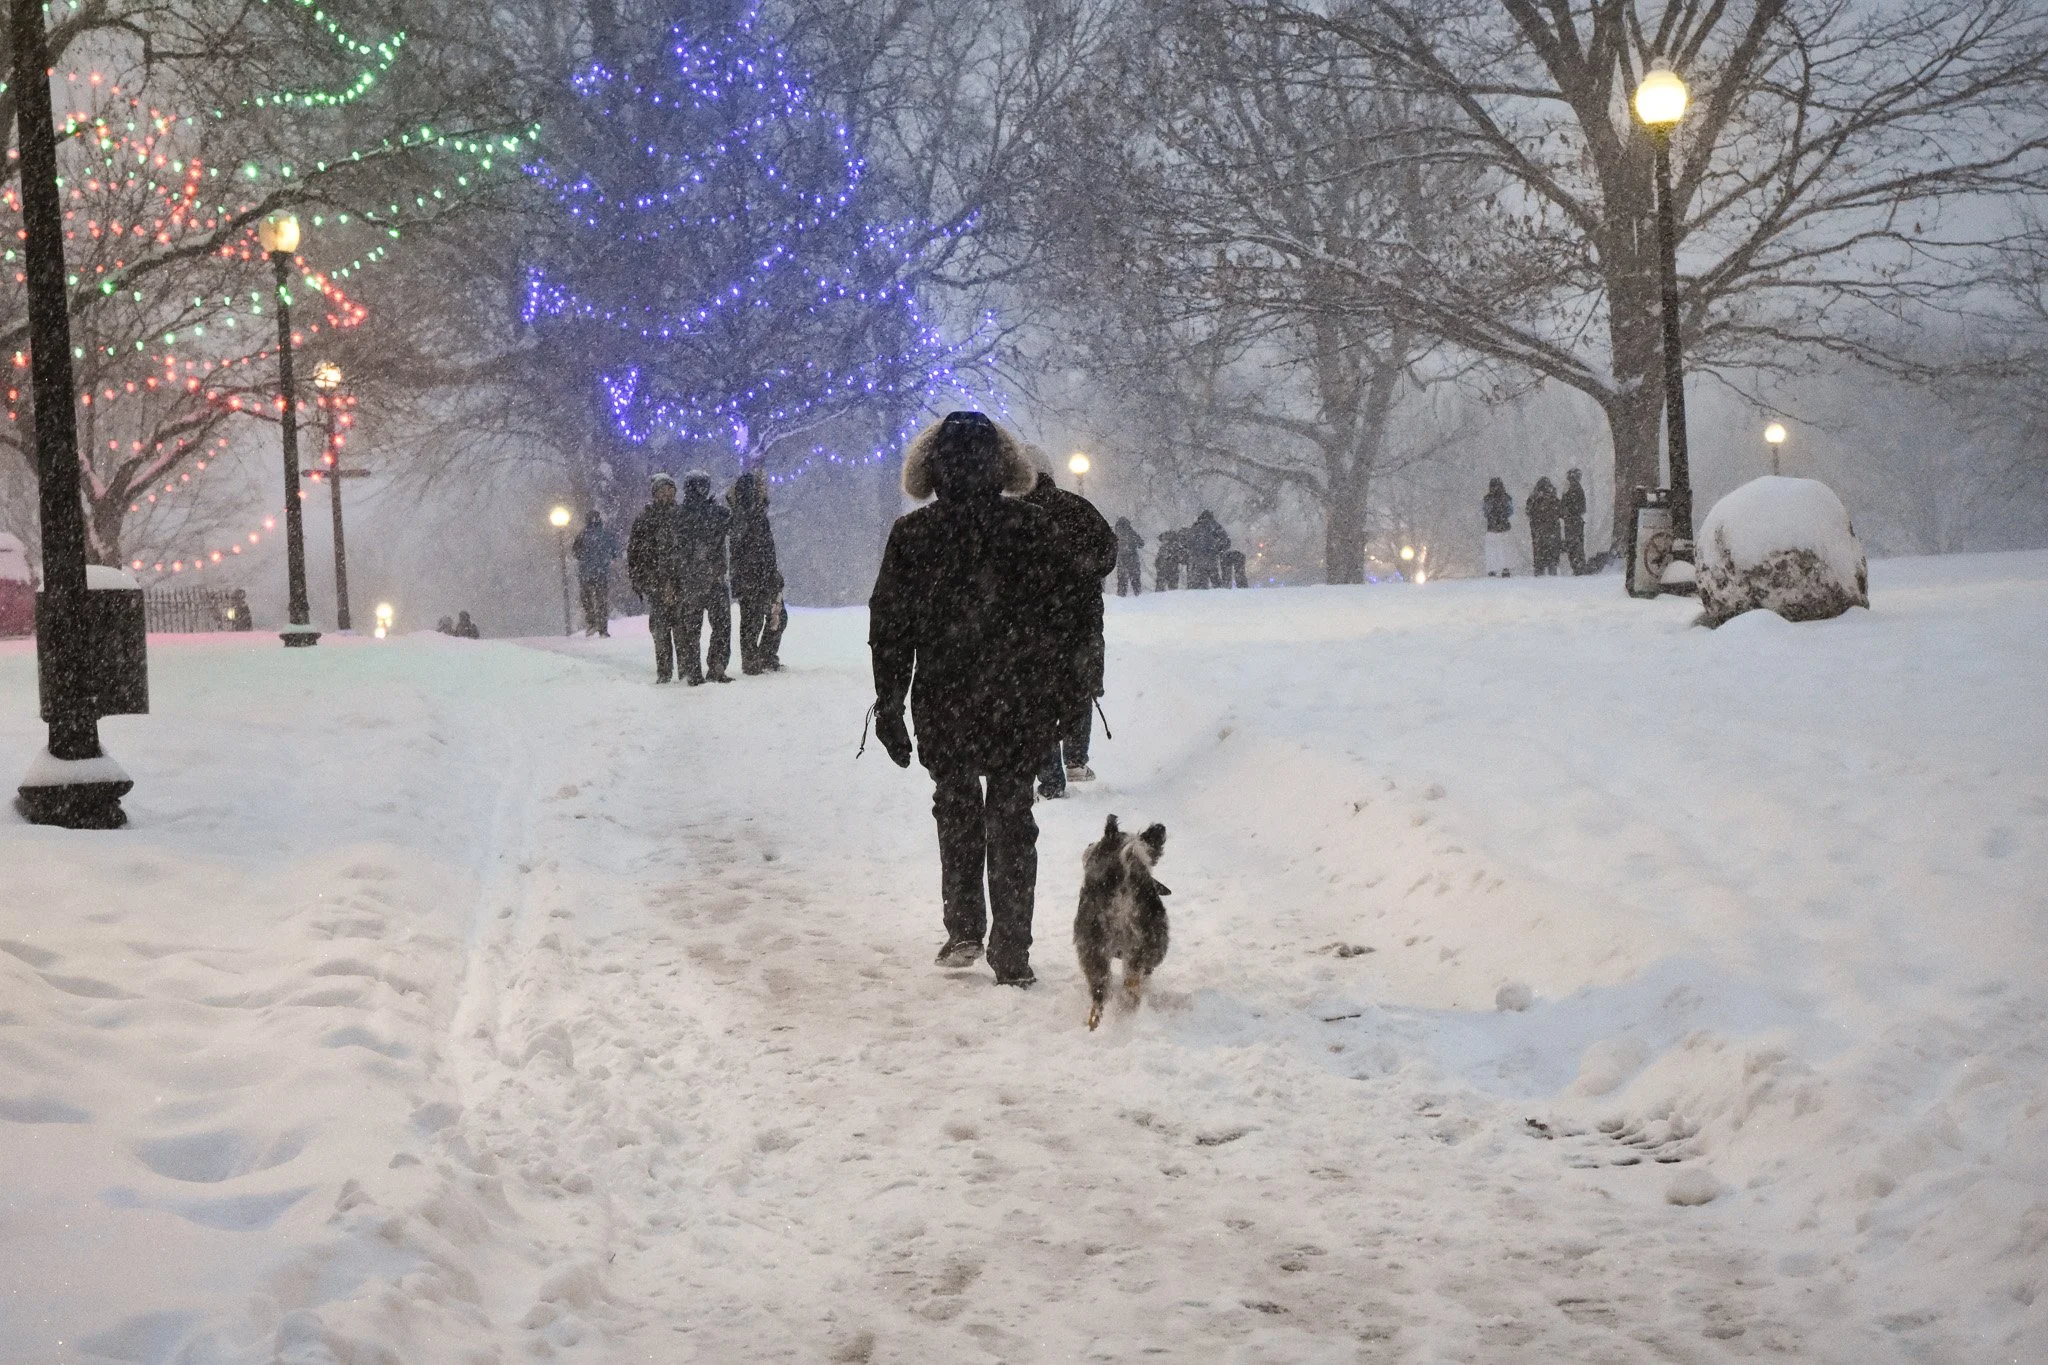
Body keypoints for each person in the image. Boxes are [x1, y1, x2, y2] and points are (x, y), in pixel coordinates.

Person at [868, 411, 1082, 988]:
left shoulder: (913, 535)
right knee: (1014, 818)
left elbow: (890, 625)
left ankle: (964, 927)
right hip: (1019, 696)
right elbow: (1064, 618)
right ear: (1003, 466)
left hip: (945, 696)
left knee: (956, 808)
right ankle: (1011, 950)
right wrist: (1068, 695)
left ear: (931, 470)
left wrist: (888, 702)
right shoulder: (1031, 527)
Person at [1023, 446, 1117, 800]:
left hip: (1032, 626)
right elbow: (1108, 552)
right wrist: (1083, 572)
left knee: (1039, 699)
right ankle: (1076, 760)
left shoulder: (1012, 515)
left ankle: (1050, 779)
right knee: (1079, 688)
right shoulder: (1078, 508)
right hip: (1081, 620)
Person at [628, 472, 689, 682]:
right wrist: (639, 580)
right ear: (655, 494)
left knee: (682, 629)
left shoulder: (683, 517)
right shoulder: (644, 520)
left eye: (670, 490)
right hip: (655, 582)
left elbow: (690, 549)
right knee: (660, 630)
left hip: (681, 582)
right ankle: (664, 672)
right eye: (663, 490)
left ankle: (685, 671)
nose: (667, 494)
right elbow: (634, 554)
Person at [726, 470, 786, 675]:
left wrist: (773, 575)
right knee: (753, 620)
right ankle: (754, 660)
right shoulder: (745, 516)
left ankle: (762, 657)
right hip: (752, 577)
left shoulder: (756, 515)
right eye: (759, 488)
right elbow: (750, 550)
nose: (763, 490)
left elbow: (767, 550)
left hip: (762, 577)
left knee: (775, 617)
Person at [571, 510, 619, 637]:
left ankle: (591, 623)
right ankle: (603, 629)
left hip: (586, 573)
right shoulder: (607, 535)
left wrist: (585, 557)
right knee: (602, 600)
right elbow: (615, 551)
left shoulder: (582, 535)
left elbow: (575, 552)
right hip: (602, 572)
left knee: (587, 599)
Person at [1527, 477, 1564, 576]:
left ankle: (1539, 576)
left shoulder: (1534, 499)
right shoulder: (1554, 499)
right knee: (1552, 557)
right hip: (1552, 531)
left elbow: (1528, 512)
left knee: (1539, 559)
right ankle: (1552, 575)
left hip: (1538, 532)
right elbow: (1561, 512)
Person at [1183, 510, 1228, 588]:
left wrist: (1193, 552)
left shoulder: (1195, 527)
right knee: (1215, 581)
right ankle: (1219, 597)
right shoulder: (1215, 526)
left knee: (1201, 583)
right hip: (1211, 557)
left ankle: (1202, 598)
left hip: (1197, 559)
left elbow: (1188, 542)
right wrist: (1219, 550)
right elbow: (1226, 540)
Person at [1482, 478, 1515, 577]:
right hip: (1504, 527)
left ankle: (1492, 569)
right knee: (1504, 550)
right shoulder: (1506, 497)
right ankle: (1505, 569)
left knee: (1491, 550)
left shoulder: (1487, 498)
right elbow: (1511, 511)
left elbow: (1485, 512)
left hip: (1491, 528)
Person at [1560, 468, 1589, 575]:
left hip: (1570, 521)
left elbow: (1562, 507)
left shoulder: (1567, 488)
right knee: (1577, 545)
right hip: (1576, 521)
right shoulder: (1578, 488)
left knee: (1572, 545)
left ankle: (1577, 566)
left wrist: (1566, 514)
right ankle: (1579, 567)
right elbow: (1582, 508)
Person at [1113, 517, 1145, 596]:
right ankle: (1139, 597)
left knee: (1122, 581)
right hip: (1132, 559)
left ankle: (1120, 598)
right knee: (1135, 580)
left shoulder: (1116, 534)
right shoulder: (1131, 533)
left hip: (1121, 560)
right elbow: (1141, 544)